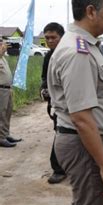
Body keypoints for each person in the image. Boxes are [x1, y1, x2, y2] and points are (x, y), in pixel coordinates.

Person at [47, 0, 103, 205]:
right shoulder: (77, 52)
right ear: (91, 11)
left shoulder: (86, 46)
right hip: (88, 146)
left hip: (88, 143)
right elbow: (81, 117)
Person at [40, 22, 67, 184]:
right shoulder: (49, 56)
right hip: (58, 105)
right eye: (47, 38)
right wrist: (44, 90)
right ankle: (58, 169)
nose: (50, 41)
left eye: (53, 37)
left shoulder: (70, 53)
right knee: (61, 134)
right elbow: (44, 78)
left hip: (75, 102)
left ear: (62, 37)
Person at [0, 39, 22, 148]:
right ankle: (1, 138)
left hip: (7, 89)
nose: (4, 45)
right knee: (1, 114)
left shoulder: (3, 58)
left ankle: (5, 134)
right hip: (0, 90)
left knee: (7, 113)